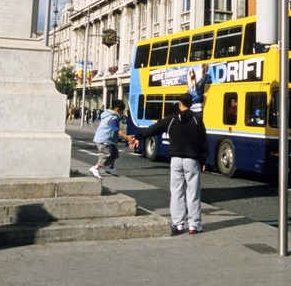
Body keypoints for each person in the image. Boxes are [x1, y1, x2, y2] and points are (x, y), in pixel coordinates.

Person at [130, 93, 208, 235]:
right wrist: (203, 160)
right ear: (191, 104)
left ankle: (178, 224)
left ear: (179, 103)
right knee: (193, 192)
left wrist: (138, 137)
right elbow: (203, 141)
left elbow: (154, 128)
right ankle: (193, 225)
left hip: (176, 159)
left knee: (177, 191)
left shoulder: (171, 119)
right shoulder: (197, 120)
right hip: (192, 160)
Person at [89, 100, 133, 179]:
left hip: (109, 140)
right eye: (121, 111)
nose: (121, 113)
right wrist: (127, 138)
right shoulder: (112, 118)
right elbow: (116, 130)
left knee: (114, 153)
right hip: (104, 140)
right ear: (117, 109)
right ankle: (95, 168)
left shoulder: (110, 116)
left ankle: (111, 167)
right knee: (105, 155)